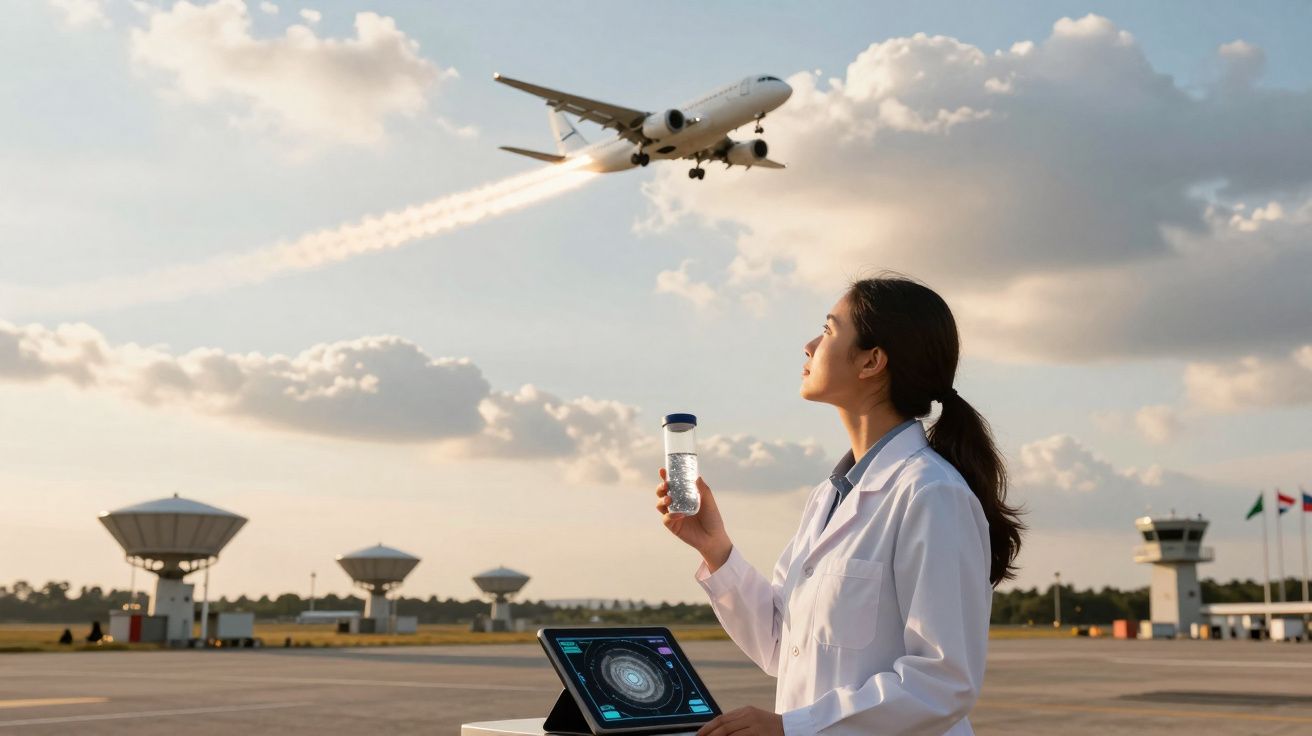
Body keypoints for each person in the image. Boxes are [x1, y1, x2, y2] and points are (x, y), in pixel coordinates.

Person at [656, 276, 1023, 736]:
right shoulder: (829, 496)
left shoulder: (930, 494)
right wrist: (716, 550)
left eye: (828, 331)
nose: (809, 345)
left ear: (872, 360)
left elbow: (943, 682)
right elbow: (781, 647)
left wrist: (792, 728)